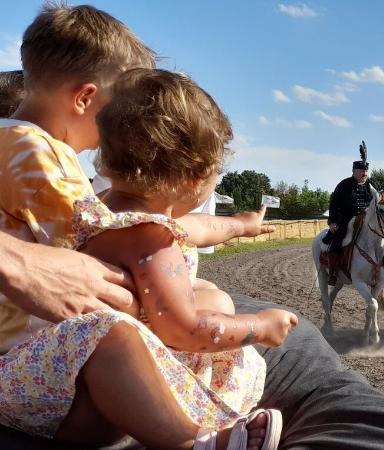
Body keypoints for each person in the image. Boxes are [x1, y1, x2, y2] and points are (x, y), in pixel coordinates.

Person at [0, 5, 285, 449]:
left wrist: (233, 229)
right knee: (123, 333)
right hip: (28, 357)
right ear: (84, 99)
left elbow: (117, 229)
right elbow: (91, 251)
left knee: (207, 296)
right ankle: (195, 441)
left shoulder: (22, 144)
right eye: (117, 110)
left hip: (39, 355)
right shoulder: (34, 153)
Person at [323, 144, 373, 285]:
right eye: (361, 171)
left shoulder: (369, 186)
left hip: (365, 221)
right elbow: (333, 205)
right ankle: (332, 274)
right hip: (345, 221)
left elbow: (374, 203)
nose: (364, 174)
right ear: (353, 171)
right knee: (336, 243)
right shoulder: (343, 185)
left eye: (366, 171)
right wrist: (332, 222)